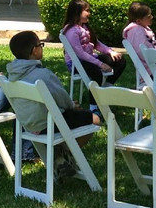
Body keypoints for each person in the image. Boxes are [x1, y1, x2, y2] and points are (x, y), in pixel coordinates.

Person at [7, 29, 101, 179]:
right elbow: (62, 99)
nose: (41, 48)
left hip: (29, 126)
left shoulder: (10, 76)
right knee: (95, 119)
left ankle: (60, 153)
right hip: (49, 123)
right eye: (40, 45)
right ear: (34, 51)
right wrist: (72, 105)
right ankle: (64, 155)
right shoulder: (43, 75)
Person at [60, 0, 127, 87]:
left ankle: (106, 87)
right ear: (77, 12)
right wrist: (100, 64)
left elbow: (96, 44)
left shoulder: (84, 27)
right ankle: (94, 100)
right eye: (87, 11)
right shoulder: (72, 31)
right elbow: (80, 53)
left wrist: (111, 52)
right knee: (97, 73)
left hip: (89, 59)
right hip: (76, 63)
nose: (89, 14)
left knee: (120, 60)